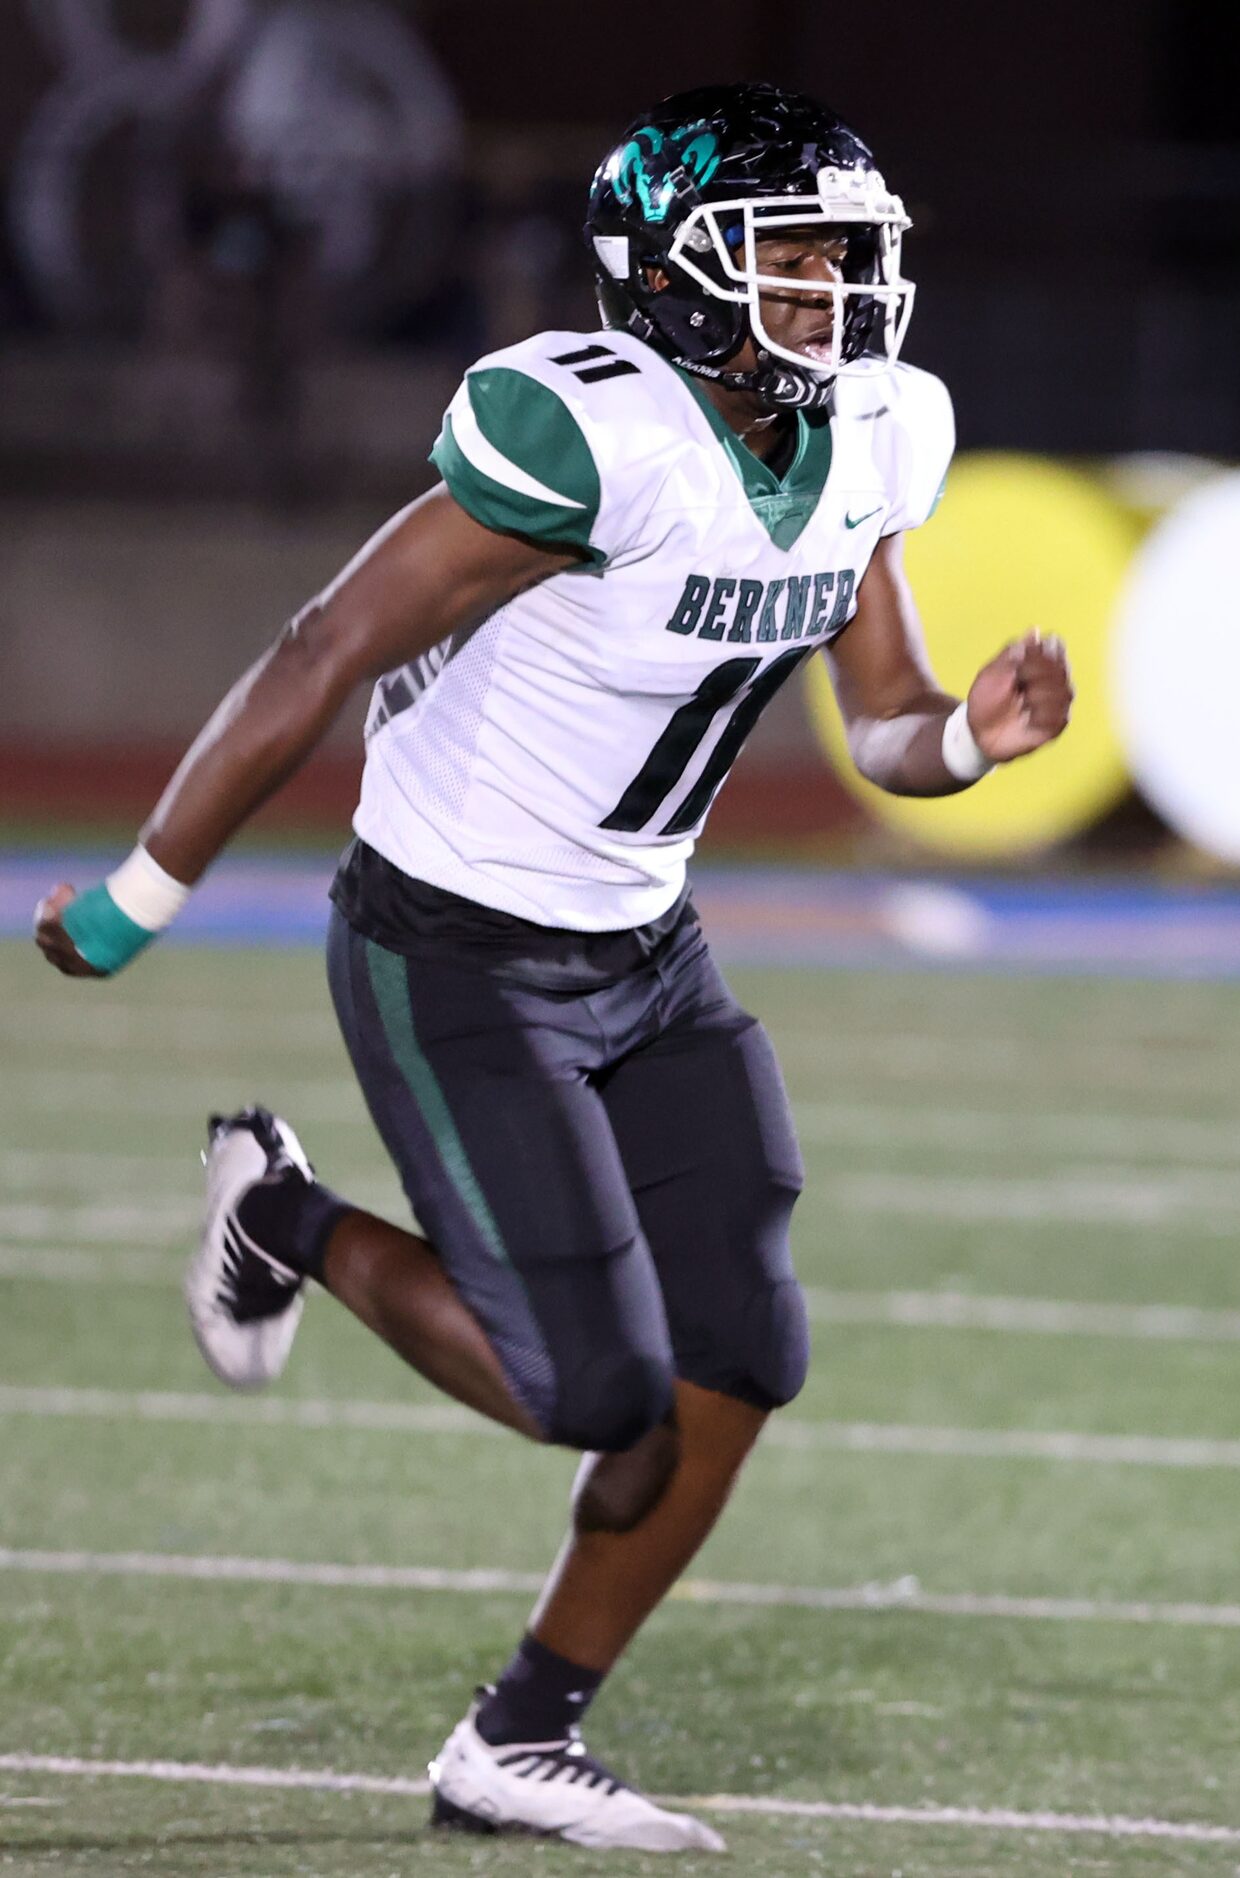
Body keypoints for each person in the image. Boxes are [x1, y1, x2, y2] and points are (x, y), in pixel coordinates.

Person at [33, 82, 1072, 1852]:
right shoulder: (597, 434)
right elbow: (322, 643)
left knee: (739, 1354)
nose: (835, 294)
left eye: (847, 257)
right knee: (588, 1388)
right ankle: (283, 1217)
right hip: (455, 946)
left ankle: (519, 1735)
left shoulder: (882, 429)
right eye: (793, 259)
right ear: (672, 275)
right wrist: (145, 888)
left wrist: (962, 740)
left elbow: (882, 720)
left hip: (646, 943)